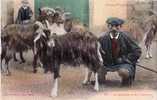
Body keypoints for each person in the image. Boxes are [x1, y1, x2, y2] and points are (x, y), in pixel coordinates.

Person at [98, 17, 142, 86]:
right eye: (111, 26)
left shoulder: (126, 37)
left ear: (120, 27)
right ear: (108, 27)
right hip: (107, 63)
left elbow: (137, 50)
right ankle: (101, 79)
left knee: (124, 72)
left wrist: (125, 59)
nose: (114, 29)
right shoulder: (102, 38)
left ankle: (126, 79)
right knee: (99, 76)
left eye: (116, 26)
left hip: (123, 63)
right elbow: (97, 51)